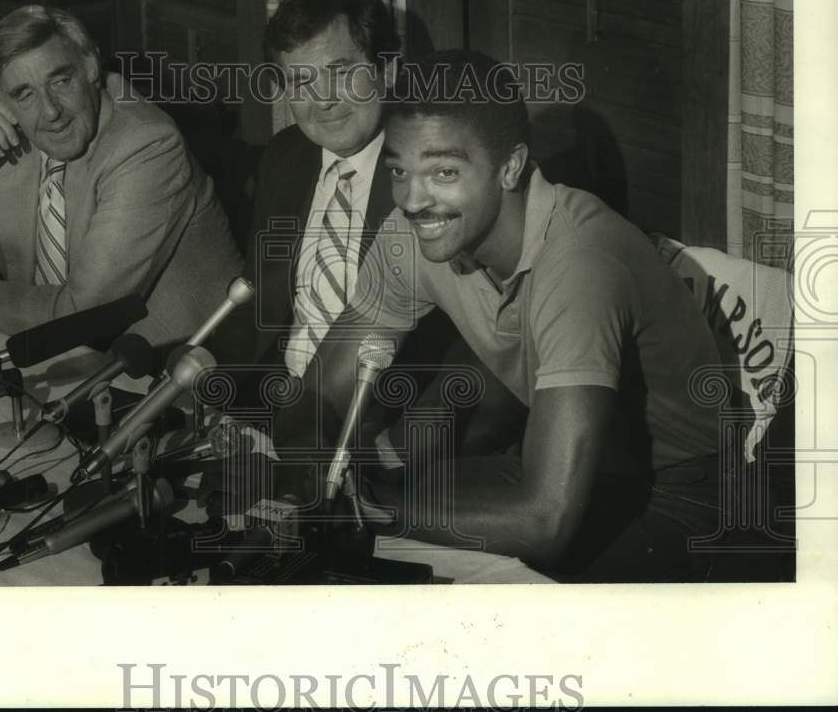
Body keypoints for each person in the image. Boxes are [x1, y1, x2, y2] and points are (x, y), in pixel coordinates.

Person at [311, 50, 725, 582]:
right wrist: (307, 467)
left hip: (679, 496)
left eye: (443, 171)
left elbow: (543, 525)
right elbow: (318, 395)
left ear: (510, 167)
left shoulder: (579, 260)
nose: (414, 200)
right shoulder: (415, 233)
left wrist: (369, 500)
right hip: (557, 475)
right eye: (398, 170)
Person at [207, 0, 517, 466]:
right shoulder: (285, 156)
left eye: (340, 72)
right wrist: (213, 386)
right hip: (270, 409)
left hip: (376, 427)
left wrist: (394, 450)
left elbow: (480, 347)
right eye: (300, 82)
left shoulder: (434, 175)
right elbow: (260, 303)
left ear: (385, 69)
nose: (322, 100)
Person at [0, 5, 241, 347]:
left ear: (91, 66)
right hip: (61, 361)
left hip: (167, 377)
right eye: (25, 94)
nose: (50, 111)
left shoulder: (146, 146)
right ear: (3, 102)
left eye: (61, 81)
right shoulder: (10, 144)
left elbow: (84, 315)